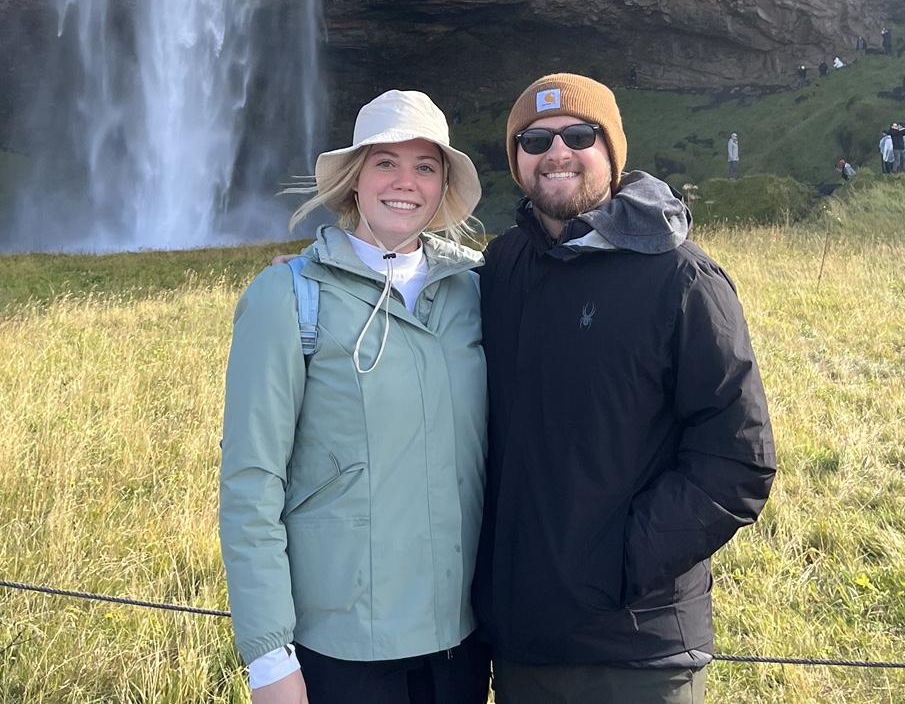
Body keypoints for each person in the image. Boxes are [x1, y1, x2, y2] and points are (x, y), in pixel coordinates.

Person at [476, 74, 775, 704]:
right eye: (534, 141)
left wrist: (614, 565)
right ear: (516, 161)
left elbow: (737, 460)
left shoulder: (682, 278)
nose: (557, 152)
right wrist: (322, 264)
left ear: (612, 151)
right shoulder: (501, 270)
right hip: (522, 646)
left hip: (636, 654)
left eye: (579, 135)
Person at [219, 91, 490, 704]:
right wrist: (267, 656)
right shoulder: (287, 299)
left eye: (425, 166)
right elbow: (251, 480)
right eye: (384, 162)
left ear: (443, 184)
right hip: (342, 651)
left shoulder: (475, 291)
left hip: (462, 643)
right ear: (354, 179)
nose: (405, 182)